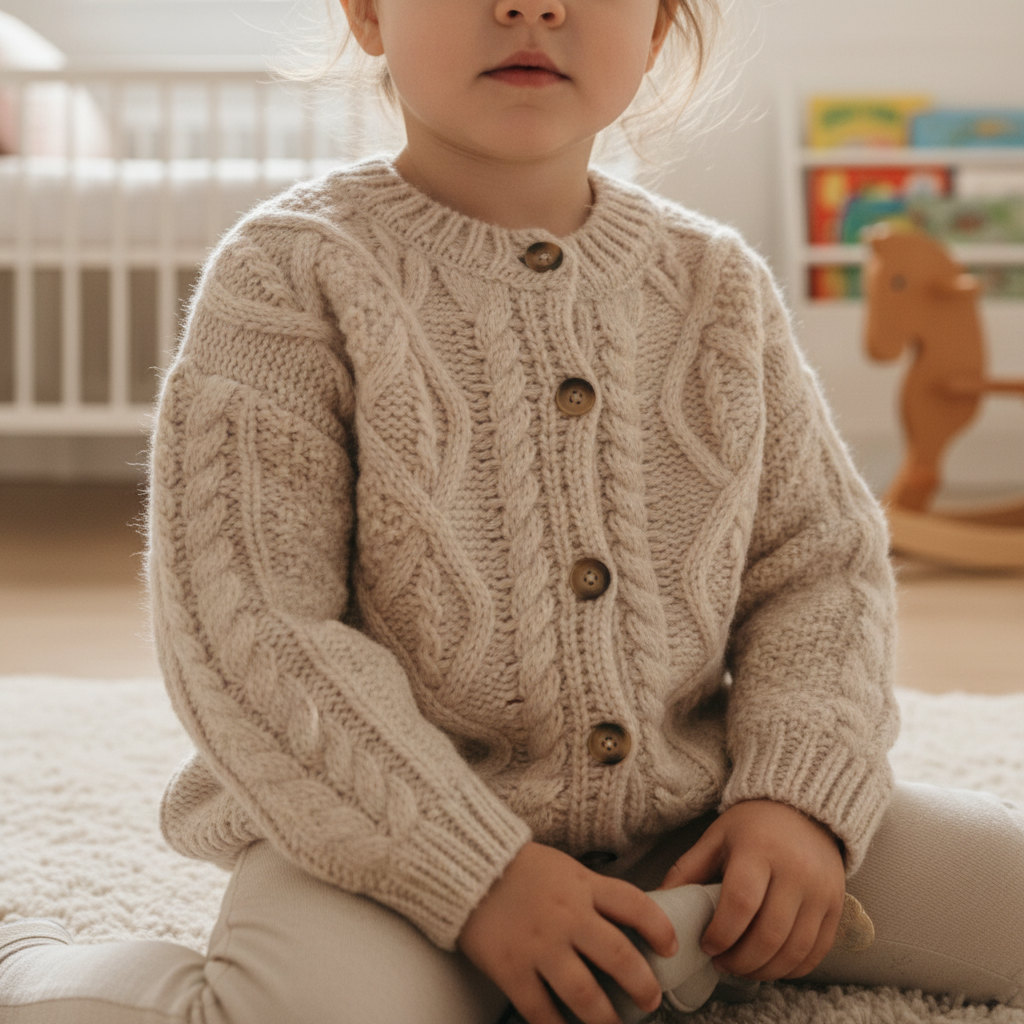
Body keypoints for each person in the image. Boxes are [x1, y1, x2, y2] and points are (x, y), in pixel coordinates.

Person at [1, 0, 1022, 1022]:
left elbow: (818, 566)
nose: (531, 7)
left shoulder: (716, 287)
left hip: (697, 818)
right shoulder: (288, 277)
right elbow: (253, 627)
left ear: (660, 29)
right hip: (386, 841)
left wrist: (794, 798)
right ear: (367, 13)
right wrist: (472, 871)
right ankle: (34, 964)